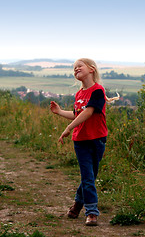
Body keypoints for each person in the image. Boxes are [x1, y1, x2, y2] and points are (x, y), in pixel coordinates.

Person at [50, 58, 117, 226]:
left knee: (90, 176)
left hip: (97, 139)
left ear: (91, 69)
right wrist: (59, 112)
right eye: (74, 68)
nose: (76, 69)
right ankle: (92, 212)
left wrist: (68, 128)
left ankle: (77, 204)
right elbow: (77, 114)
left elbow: (88, 112)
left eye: (79, 66)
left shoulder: (98, 91)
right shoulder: (79, 94)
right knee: (88, 176)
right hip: (81, 141)